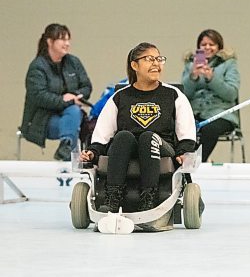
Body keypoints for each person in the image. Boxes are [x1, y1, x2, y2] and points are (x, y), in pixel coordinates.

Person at [80, 42, 197, 213]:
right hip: (128, 147)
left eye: (159, 59)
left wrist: (184, 150)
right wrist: (93, 151)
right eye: (149, 59)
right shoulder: (120, 97)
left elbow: (186, 129)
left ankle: (149, 199)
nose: (156, 63)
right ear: (134, 65)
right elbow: (102, 133)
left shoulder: (173, 95)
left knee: (148, 137)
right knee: (123, 136)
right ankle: (112, 198)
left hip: (162, 147)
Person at [21, 23, 92, 162]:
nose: (67, 44)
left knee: (74, 113)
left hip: (69, 118)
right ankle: (67, 154)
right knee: (73, 118)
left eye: (68, 40)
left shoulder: (73, 62)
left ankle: (65, 148)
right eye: (63, 40)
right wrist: (67, 100)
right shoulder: (37, 67)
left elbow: (86, 87)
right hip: (42, 121)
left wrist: (75, 96)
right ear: (50, 41)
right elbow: (39, 96)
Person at [181, 29, 240, 162]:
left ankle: (197, 162)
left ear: (219, 47)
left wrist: (212, 78)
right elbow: (183, 95)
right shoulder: (190, 64)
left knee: (209, 130)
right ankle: (182, 161)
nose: (207, 48)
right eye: (203, 45)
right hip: (195, 112)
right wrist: (193, 77)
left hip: (221, 113)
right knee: (178, 126)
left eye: (211, 44)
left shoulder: (229, 64)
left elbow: (231, 94)